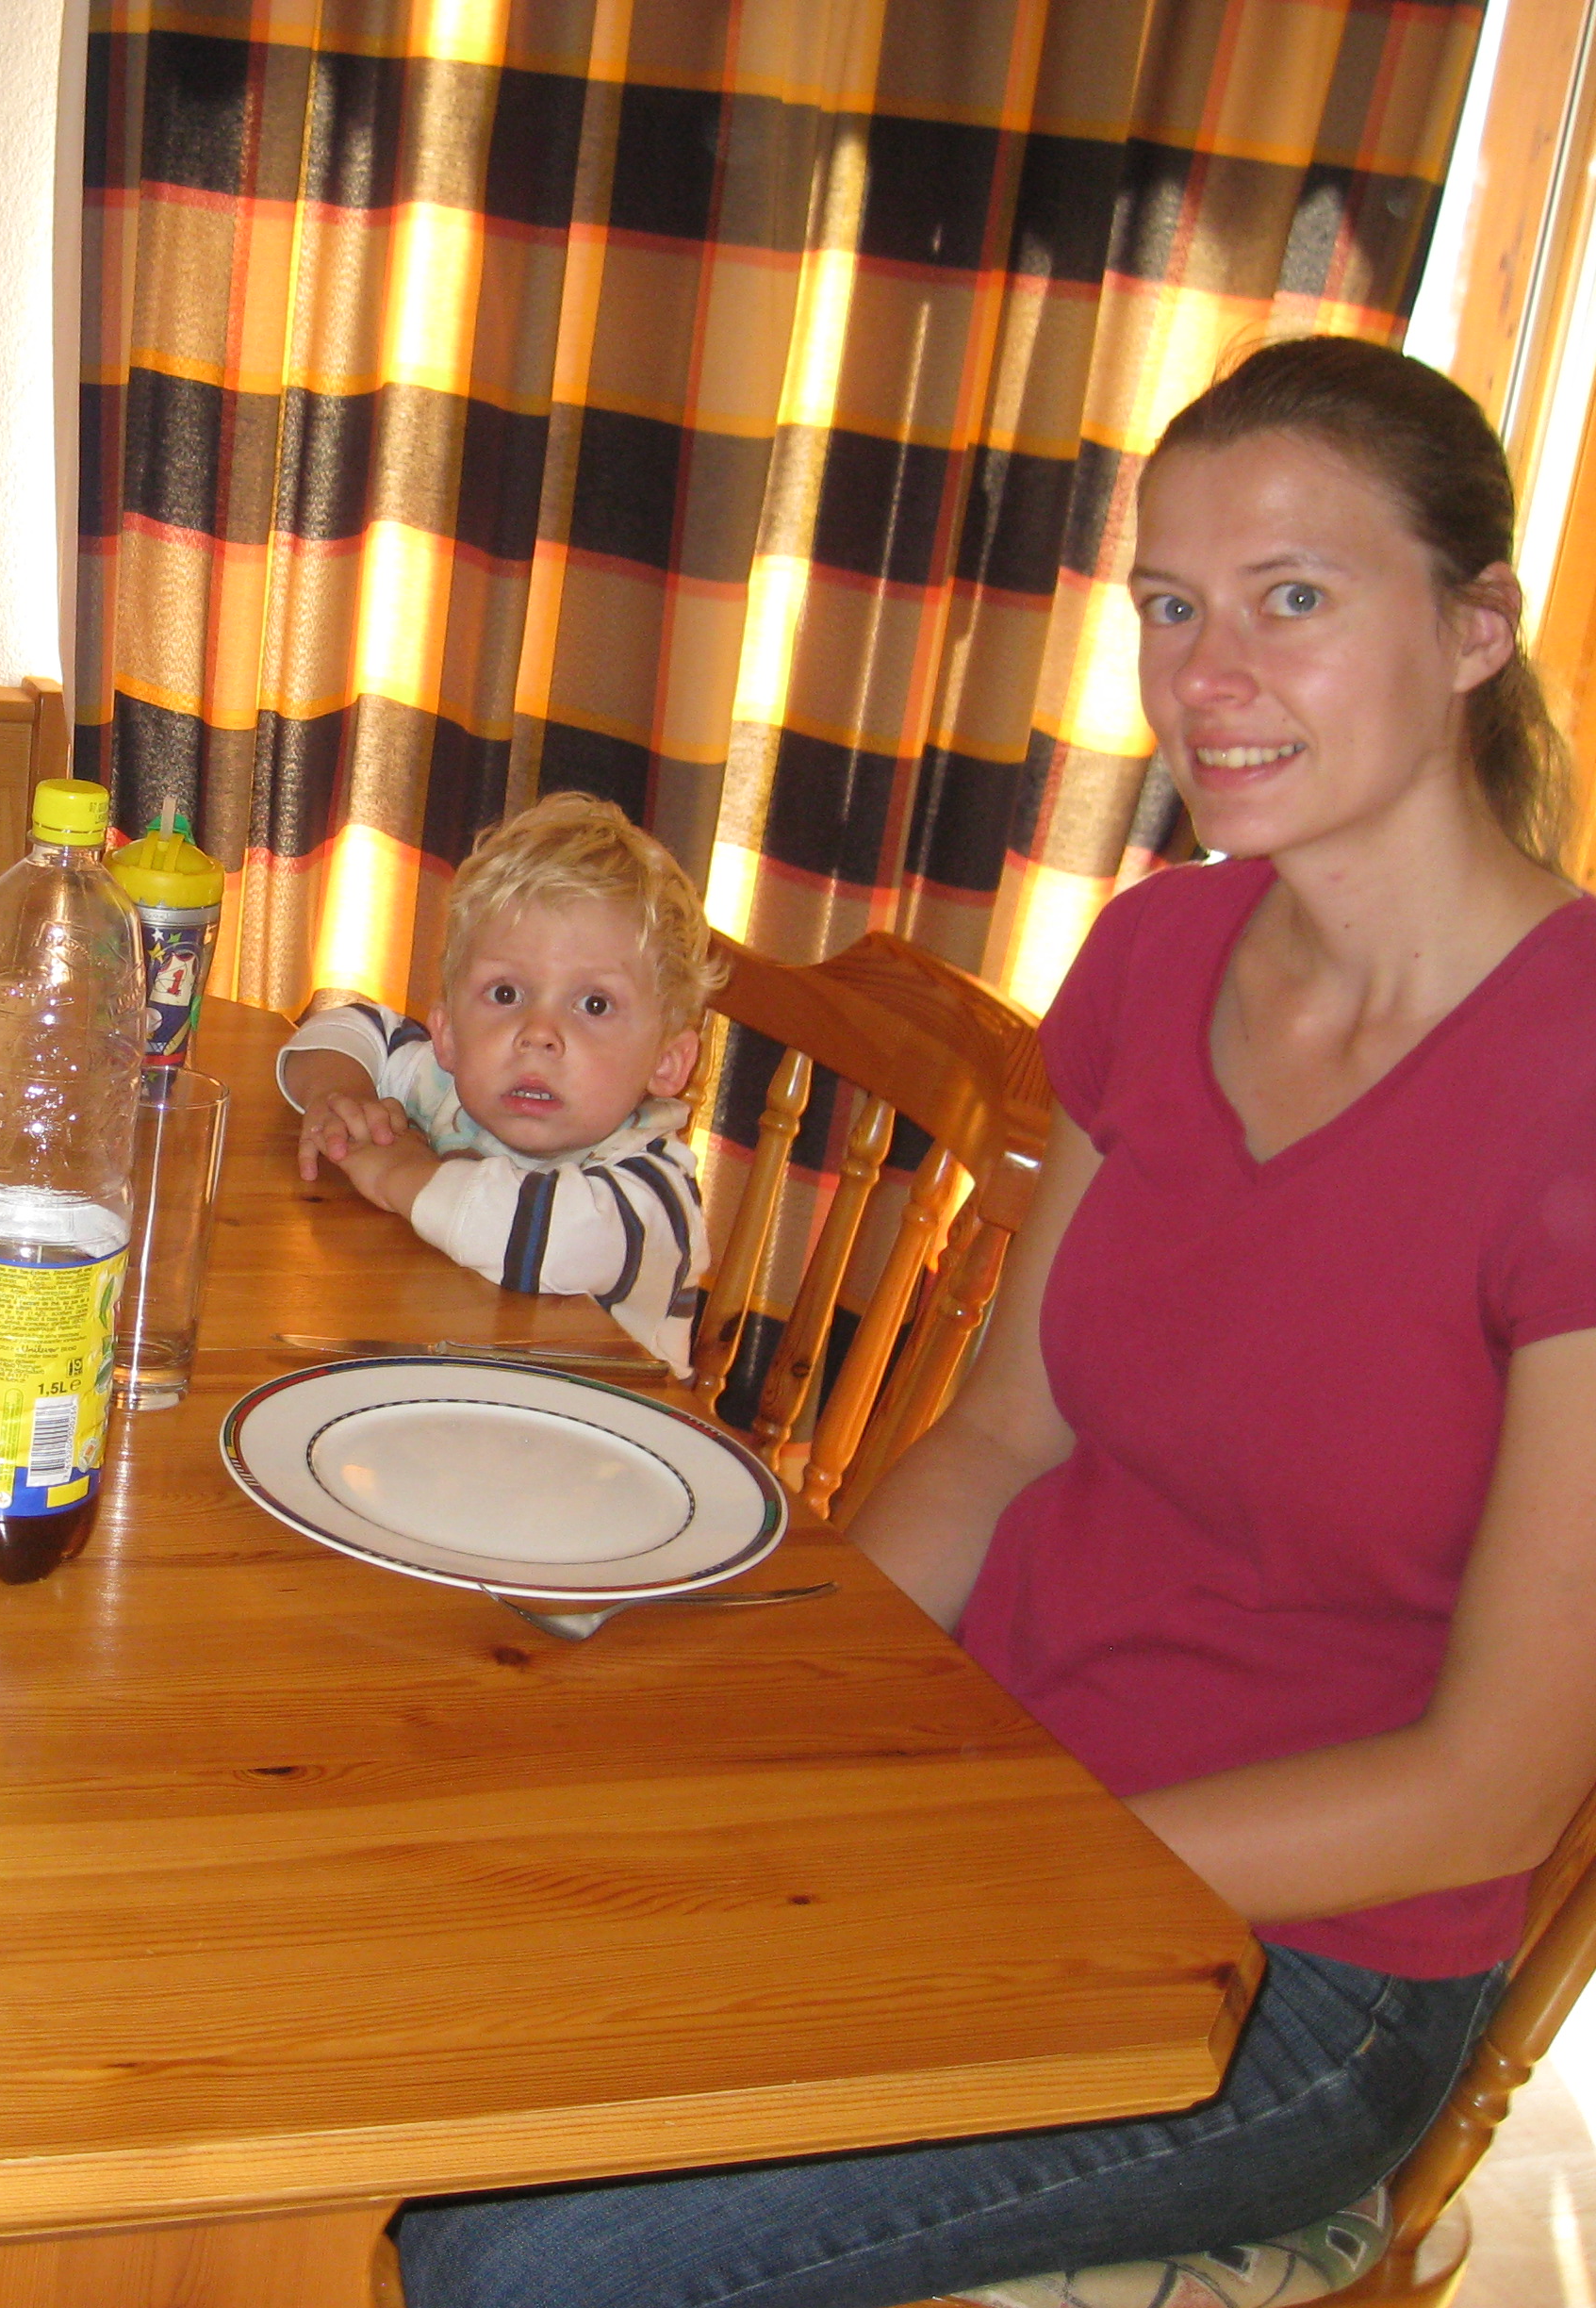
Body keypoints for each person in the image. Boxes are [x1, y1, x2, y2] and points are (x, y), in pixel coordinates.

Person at [394, 336, 1596, 2307]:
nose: (1207, 677)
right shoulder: (1156, 952)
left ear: (1476, 628)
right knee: (421, 1987)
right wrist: (781, 1700)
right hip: (983, 1773)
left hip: (1300, 1967)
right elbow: (1000, 1434)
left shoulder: (1574, 1074)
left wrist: (998, 1851)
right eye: (1169, 607)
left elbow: (1492, 1785)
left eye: (1292, 598)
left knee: (513, 2255)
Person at [280, 792, 722, 1373]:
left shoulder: (654, 1195)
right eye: (506, 993)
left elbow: (537, 1234)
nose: (538, 1033)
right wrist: (341, 1095)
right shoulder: (447, 1085)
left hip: (594, 1425)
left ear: (666, 1061)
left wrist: (398, 1171)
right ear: (448, 1034)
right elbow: (346, 1027)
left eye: (594, 1004)